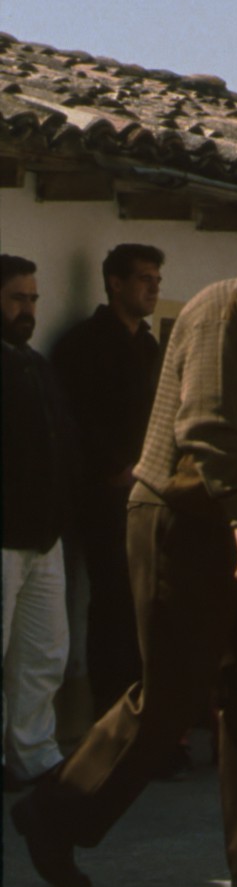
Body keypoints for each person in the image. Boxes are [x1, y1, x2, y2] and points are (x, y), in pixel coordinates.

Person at [11, 200, 237, 887]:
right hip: (185, 524)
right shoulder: (227, 308)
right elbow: (206, 424)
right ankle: (53, 812)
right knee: (168, 697)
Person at [50, 243, 165, 713]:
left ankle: (149, 715)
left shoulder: (149, 345)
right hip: (105, 495)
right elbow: (73, 418)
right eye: (144, 279)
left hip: (151, 493)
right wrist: (113, 469)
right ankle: (110, 717)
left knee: (149, 604)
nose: (154, 289)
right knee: (114, 603)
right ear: (115, 283)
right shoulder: (83, 344)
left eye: (157, 280)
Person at [2, 256, 76, 792]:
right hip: (2, 539)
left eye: (32, 299)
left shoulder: (37, 365)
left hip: (44, 539)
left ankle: (35, 756)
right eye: (16, 298)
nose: (26, 309)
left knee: (44, 654)